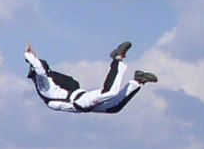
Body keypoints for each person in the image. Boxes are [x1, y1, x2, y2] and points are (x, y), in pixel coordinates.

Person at [25, 41, 158, 114]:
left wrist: (29, 56)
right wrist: (33, 58)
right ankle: (138, 80)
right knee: (114, 107)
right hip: (80, 103)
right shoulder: (44, 81)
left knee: (110, 92)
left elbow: (40, 69)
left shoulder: (44, 81)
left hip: (80, 101)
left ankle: (118, 58)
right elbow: (40, 69)